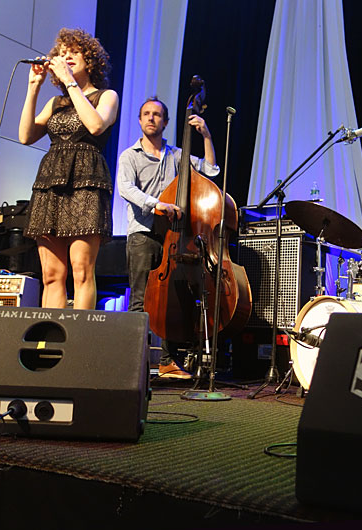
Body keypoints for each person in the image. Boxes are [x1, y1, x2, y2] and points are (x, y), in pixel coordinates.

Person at [117, 97, 219, 379]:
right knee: (140, 299)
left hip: (173, 237)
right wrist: (157, 204)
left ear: (166, 122)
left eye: (157, 114)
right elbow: (125, 188)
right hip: (144, 233)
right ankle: (132, 365)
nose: (151, 118)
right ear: (140, 120)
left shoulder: (178, 156)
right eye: (146, 114)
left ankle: (167, 362)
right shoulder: (130, 156)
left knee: (170, 301)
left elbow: (211, 172)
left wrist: (206, 135)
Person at [19, 28, 119, 309]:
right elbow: (25, 136)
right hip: (51, 182)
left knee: (81, 270)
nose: (66, 57)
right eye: (62, 53)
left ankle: (78, 342)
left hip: (87, 181)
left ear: (91, 60)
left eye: (73, 52)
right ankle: (51, 340)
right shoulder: (55, 103)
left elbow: (96, 125)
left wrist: (70, 84)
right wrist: (34, 87)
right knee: (51, 275)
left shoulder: (106, 96)